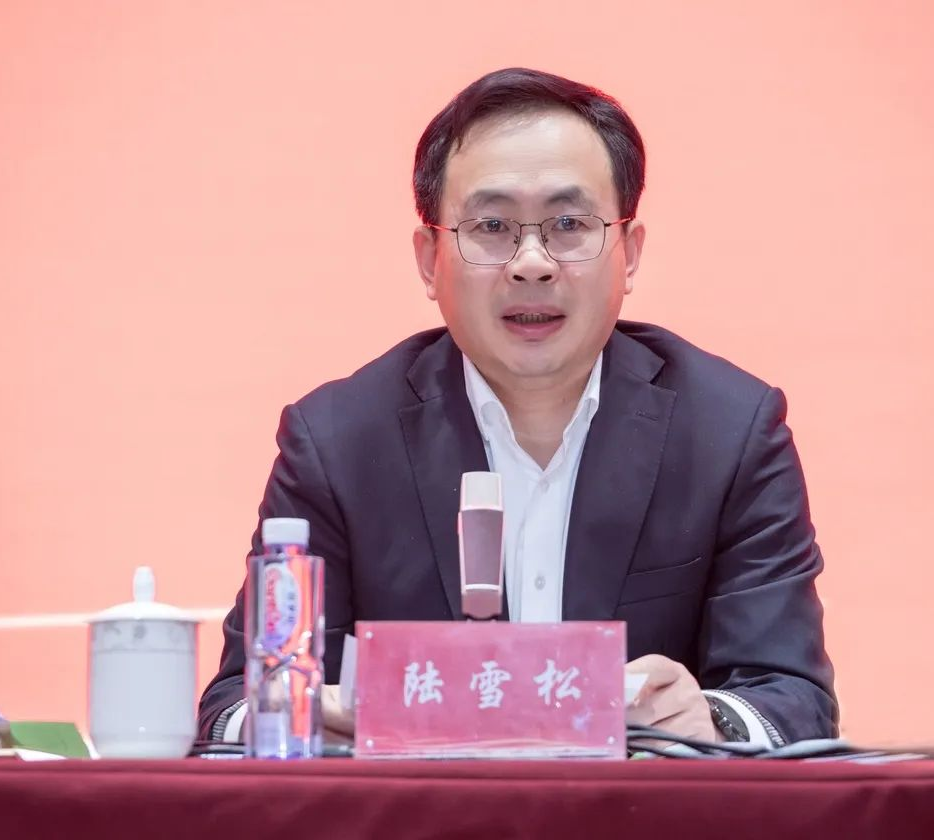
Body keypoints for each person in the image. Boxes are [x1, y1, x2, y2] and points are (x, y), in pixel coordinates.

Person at [198, 67, 838, 747]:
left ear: (630, 254)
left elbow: (791, 699)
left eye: (569, 224)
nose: (532, 262)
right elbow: (232, 709)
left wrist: (711, 719)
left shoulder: (728, 433)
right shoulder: (338, 445)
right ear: (429, 259)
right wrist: (302, 710)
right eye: (492, 226)